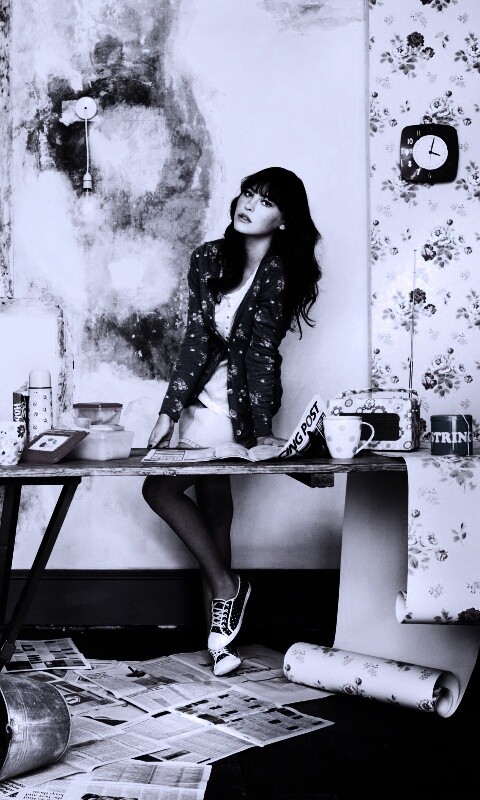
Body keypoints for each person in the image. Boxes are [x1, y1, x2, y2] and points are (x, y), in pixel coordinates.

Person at [142, 166, 321, 677]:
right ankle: (222, 638)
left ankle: (225, 593)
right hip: (201, 397)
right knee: (211, 506)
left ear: (284, 220)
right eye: (247, 193)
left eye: (265, 201)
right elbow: (197, 338)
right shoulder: (208, 258)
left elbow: (261, 353)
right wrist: (169, 410)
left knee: (163, 490)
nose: (248, 204)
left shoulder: (281, 271)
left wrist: (260, 432)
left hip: (241, 404)